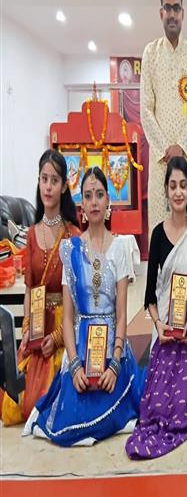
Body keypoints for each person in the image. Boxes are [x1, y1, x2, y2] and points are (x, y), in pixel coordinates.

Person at [24, 167, 144, 446]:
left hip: (112, 345)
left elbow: (122, 314)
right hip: (80, 344)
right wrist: (75, 365)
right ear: (82, 205)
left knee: (111, 406)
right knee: (70, 421)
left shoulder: (120, 248)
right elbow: (68, 318)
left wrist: (115, 364)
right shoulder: (71, 250)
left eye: (99, 195)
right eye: (88, 196)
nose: (94, 202)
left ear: (108, 201)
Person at [126, 157, 187, 459]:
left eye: (183, 185)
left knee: (185, 405)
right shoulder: (158, 235)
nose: (178, 192)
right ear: (166, 190)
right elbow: (150, 295)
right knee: (158, 407)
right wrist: (159, 325)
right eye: (173, 186)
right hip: (164, 327)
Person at [0, 150, 80, 425]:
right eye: (44, 179)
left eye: (54, 180)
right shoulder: (32, 234)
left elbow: (78, 299)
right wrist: (26, 332)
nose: (48, 186)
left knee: (52, 402)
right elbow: (30, 289)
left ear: (64, 186)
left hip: (64, 328)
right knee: (16, 405)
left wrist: (57, 338)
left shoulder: (73, 235)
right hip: (36, 326)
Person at [141, 0, 187, 234]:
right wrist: (167, 149)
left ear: (182, 13)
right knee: (161, 233)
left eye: (176, 8)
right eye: (167, 8)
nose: (172, 14)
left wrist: (181, 146)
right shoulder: (150, 53)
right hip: (161, 162)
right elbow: (146, 110)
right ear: (161, 13)